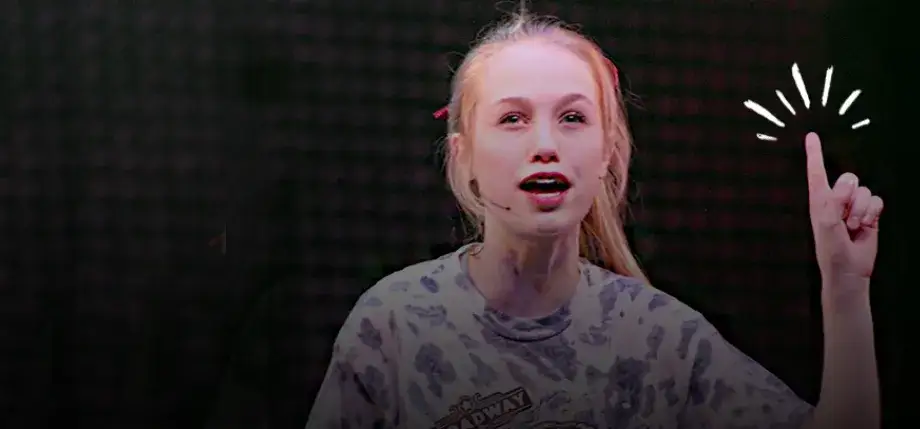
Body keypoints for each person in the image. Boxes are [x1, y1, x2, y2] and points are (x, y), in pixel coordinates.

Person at [306, 9, 884, 429]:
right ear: (464, 157)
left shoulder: (658, 337)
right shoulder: (394, 326)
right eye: (512, 119)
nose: (545, 145)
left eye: (573, 118)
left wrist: (845, 287)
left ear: (608, 151)